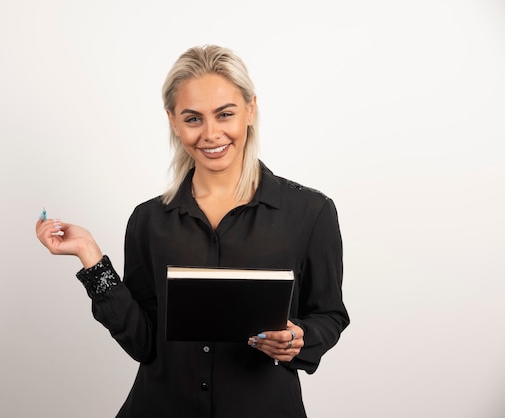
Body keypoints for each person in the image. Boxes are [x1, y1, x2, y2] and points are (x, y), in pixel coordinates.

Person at [36, 45, 349, 418]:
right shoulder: (148, 220)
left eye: (225, 114)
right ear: (173, 120)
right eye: (193, 118)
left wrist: (300, 339)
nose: (211, 134)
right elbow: (144, 343)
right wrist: (89, 254)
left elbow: (329, 314)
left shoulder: (310, 212)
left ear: (250, 109)